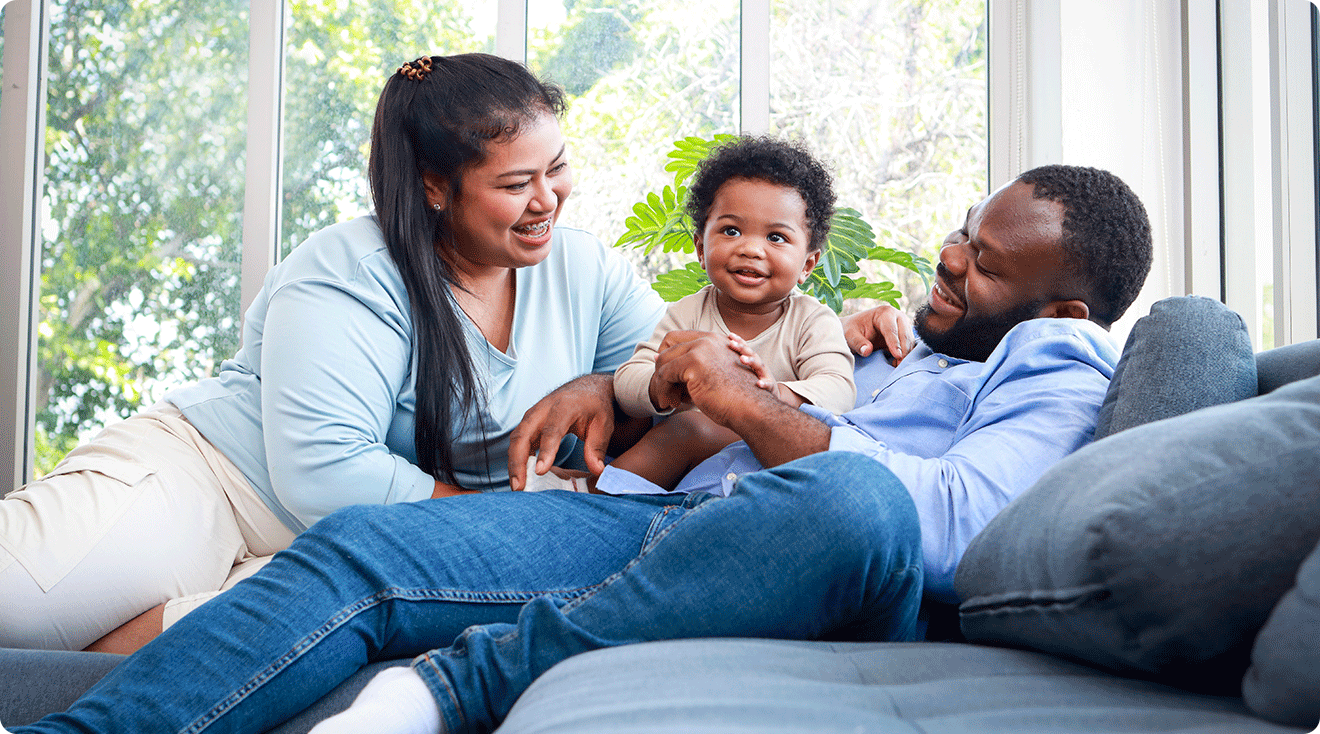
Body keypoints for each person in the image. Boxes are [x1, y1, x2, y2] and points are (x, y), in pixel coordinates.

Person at [2, 163, 1153, 734]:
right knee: (365, 545)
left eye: (987, 265)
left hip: (818, 561)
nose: (951, 261)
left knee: (852, 497)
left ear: (1063, 307)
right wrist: (620, 385)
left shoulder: (1058, 360)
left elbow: (946, 524)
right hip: (666, 521)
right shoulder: (920, 344)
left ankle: (447, 689)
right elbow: (698, 374)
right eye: (964, 234)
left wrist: (745, 408)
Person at [0, 53, 668, 654]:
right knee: (15, 613)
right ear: (436, 186)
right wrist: (498, 530)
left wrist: (602, 385)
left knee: (160, 653)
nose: (548, 199)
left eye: (556, 168)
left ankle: (122, 644)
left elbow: (664, 378)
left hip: (325, 548)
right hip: (214, 484)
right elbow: (327, 469)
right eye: (516, 183)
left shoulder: (586, 271)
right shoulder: (351, 270)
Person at [529, 136, 856, 494]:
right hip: (685, 475)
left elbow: (839, 391)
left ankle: (591, 493)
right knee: (678, 430)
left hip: (765, 461)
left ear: (808, 262)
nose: (750, 248)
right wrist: (661, 387)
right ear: (701, 248)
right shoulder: (689, 314)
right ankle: (593, 491)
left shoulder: (811, 321)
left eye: (776, 237)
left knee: (690, 430)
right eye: (731, 231)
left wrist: (768, 394)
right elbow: (627, 380)